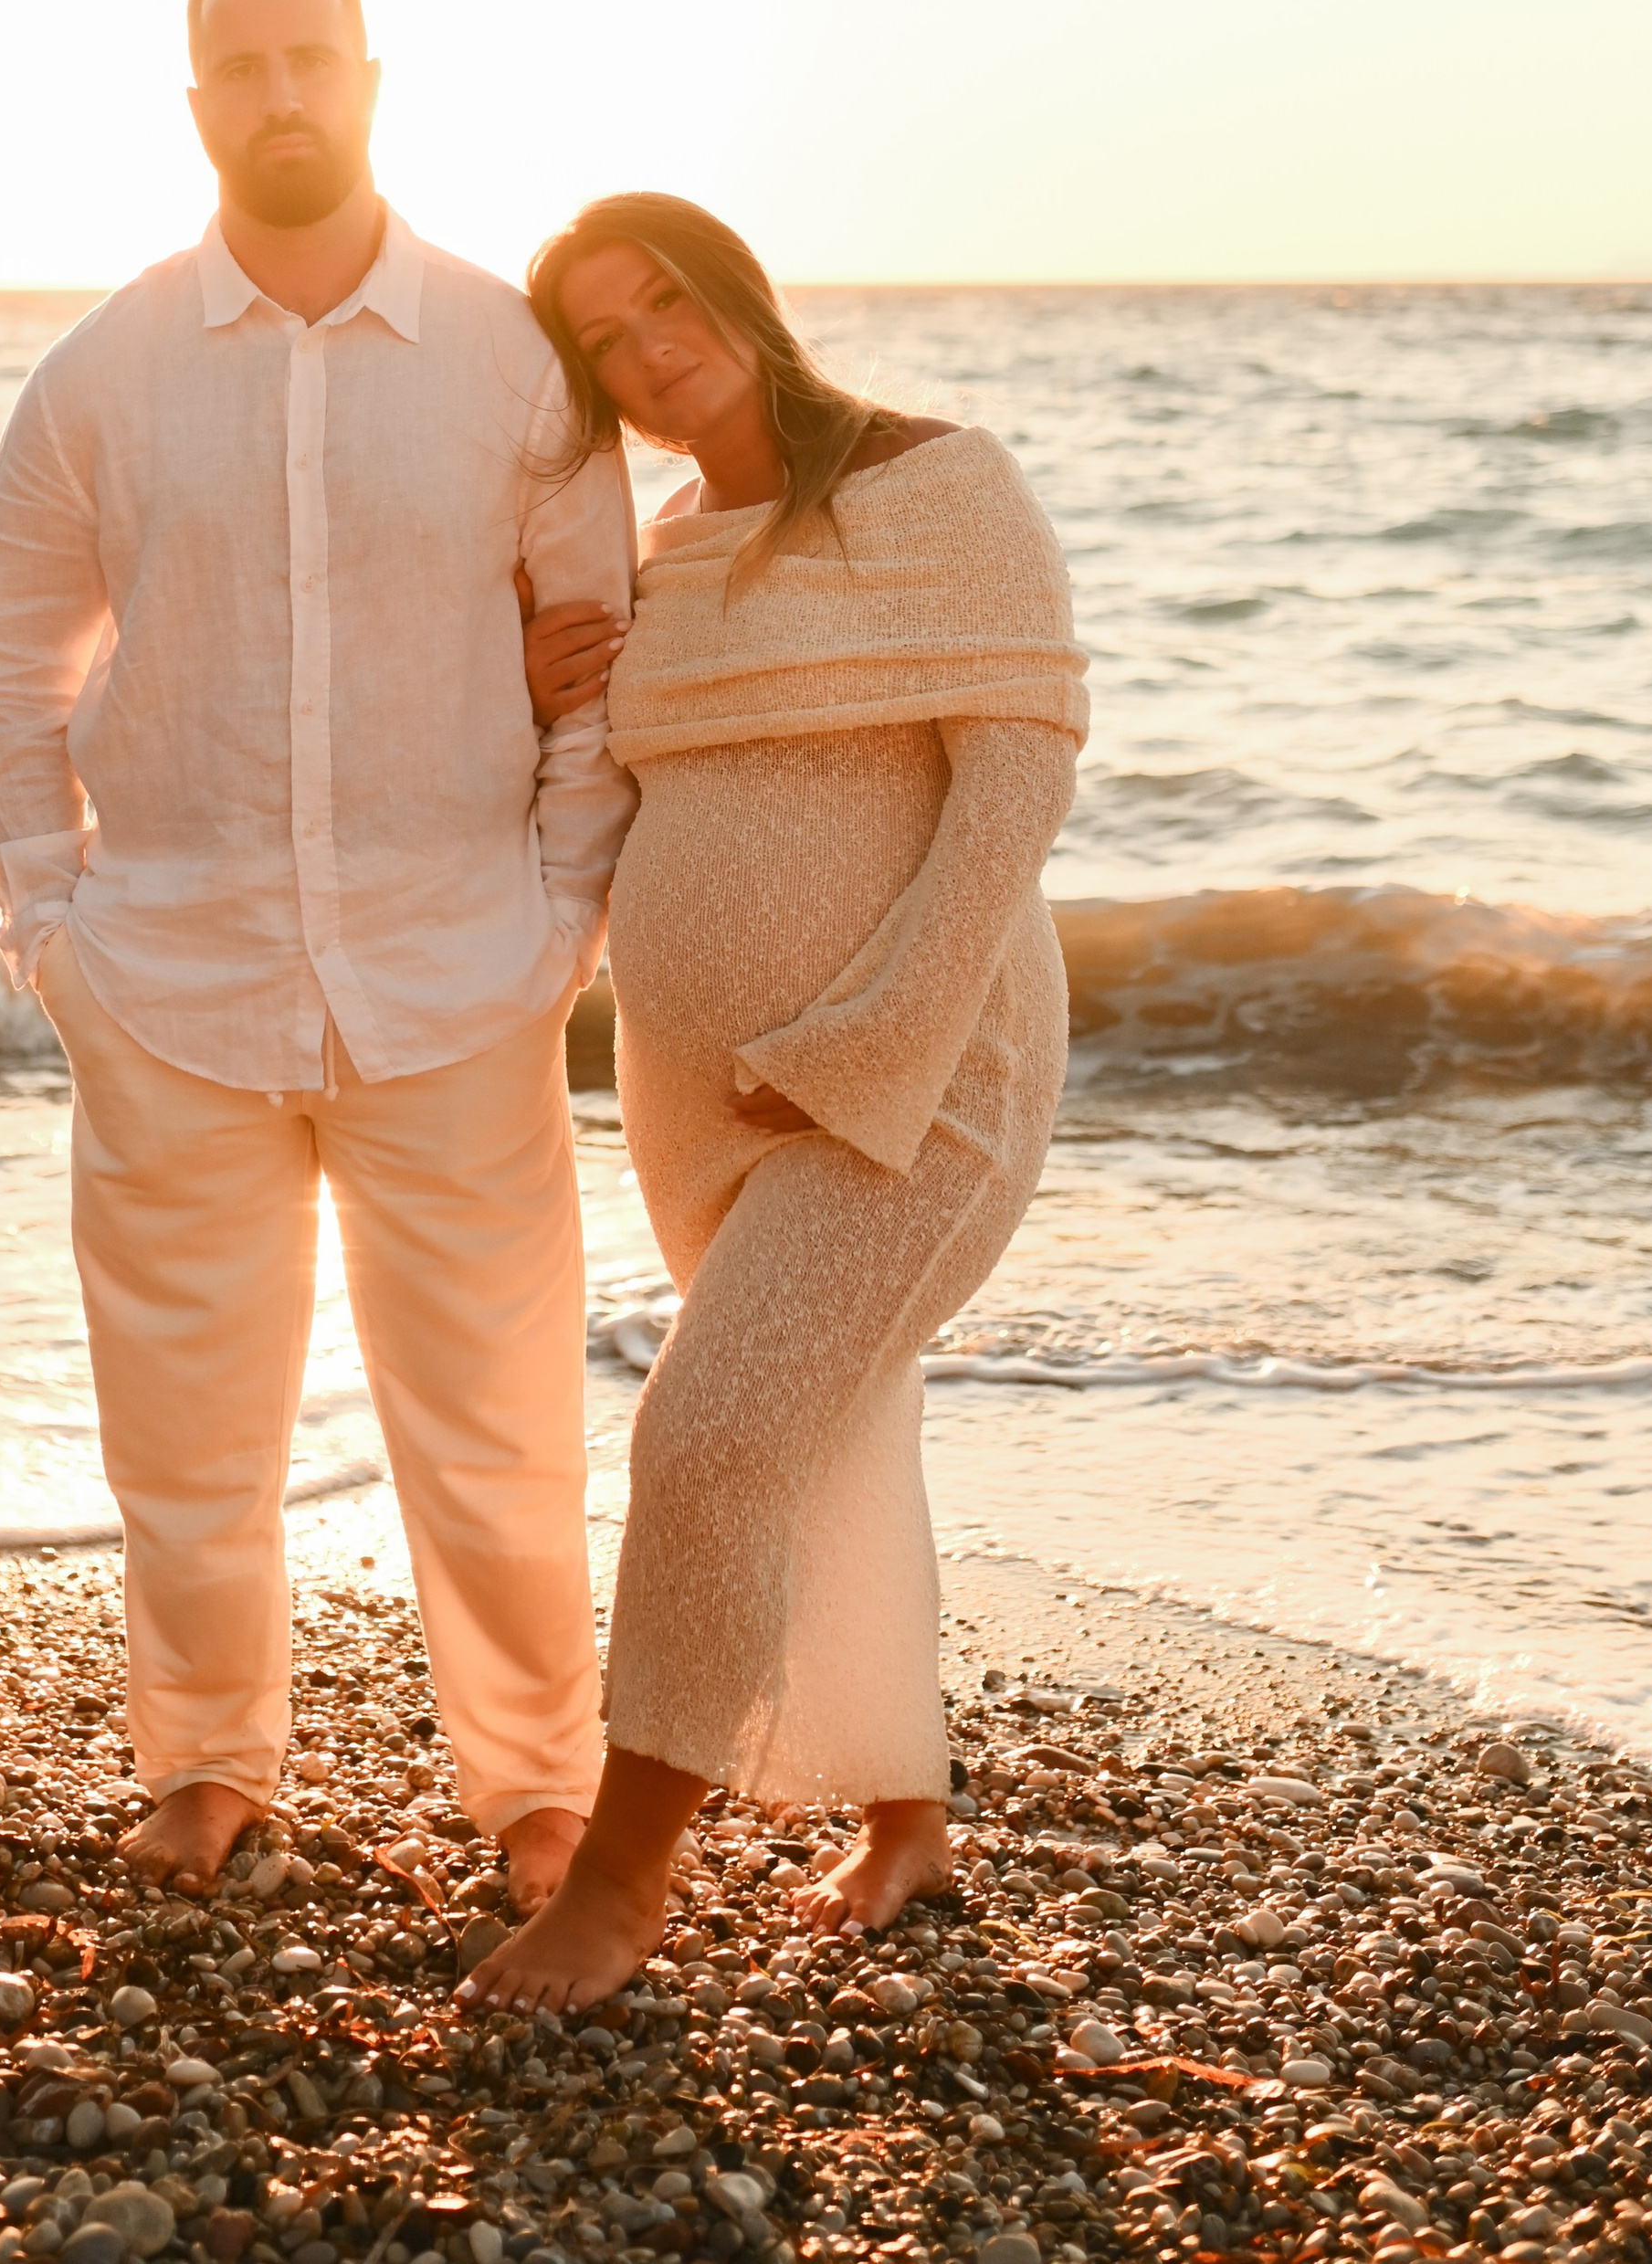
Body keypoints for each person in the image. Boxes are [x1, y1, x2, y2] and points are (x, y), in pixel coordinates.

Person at [0, 0, 637, 1908]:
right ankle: (205, 1765)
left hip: (458, 972)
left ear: (368, 79)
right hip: (170, 978)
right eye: (236, 66)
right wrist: (54, 933)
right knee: (182, 1420)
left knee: (497, 1422)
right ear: (192, 104)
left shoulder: (516, 363)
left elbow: (594, 674)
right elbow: (2, 688)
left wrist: (555, 915)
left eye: (306, 58)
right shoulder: (100, 378)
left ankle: (534, 1789)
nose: (276, 93)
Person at [467, 193, 1087, 2010]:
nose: (648, 346)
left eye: (666, 300)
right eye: (602, 335)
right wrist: (524, 686)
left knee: (710, 1437)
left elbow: (1009, 796)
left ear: (732, 292)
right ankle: (906, 1815)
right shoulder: (668, 541)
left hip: (919, 1071)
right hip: (700, 1092)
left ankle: (618, 1881)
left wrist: (865, 1044)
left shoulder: (939, 480)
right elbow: (614, 785)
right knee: (824, 1418)